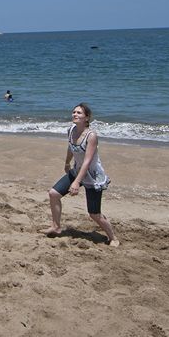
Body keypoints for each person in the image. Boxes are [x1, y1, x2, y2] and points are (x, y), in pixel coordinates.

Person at [44, 103, 119, 247]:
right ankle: (56, 227)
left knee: (94, 214)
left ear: (87, 117)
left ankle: (113, 237)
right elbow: (70, 147)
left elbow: (87, 161)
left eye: (79, 113)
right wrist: (67, 163)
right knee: (53, 194)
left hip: (92, 177)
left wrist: (76, 182)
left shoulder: (91, 136)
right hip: (77, 170)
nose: (75, 114)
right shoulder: (71, 130)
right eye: (74, 112)